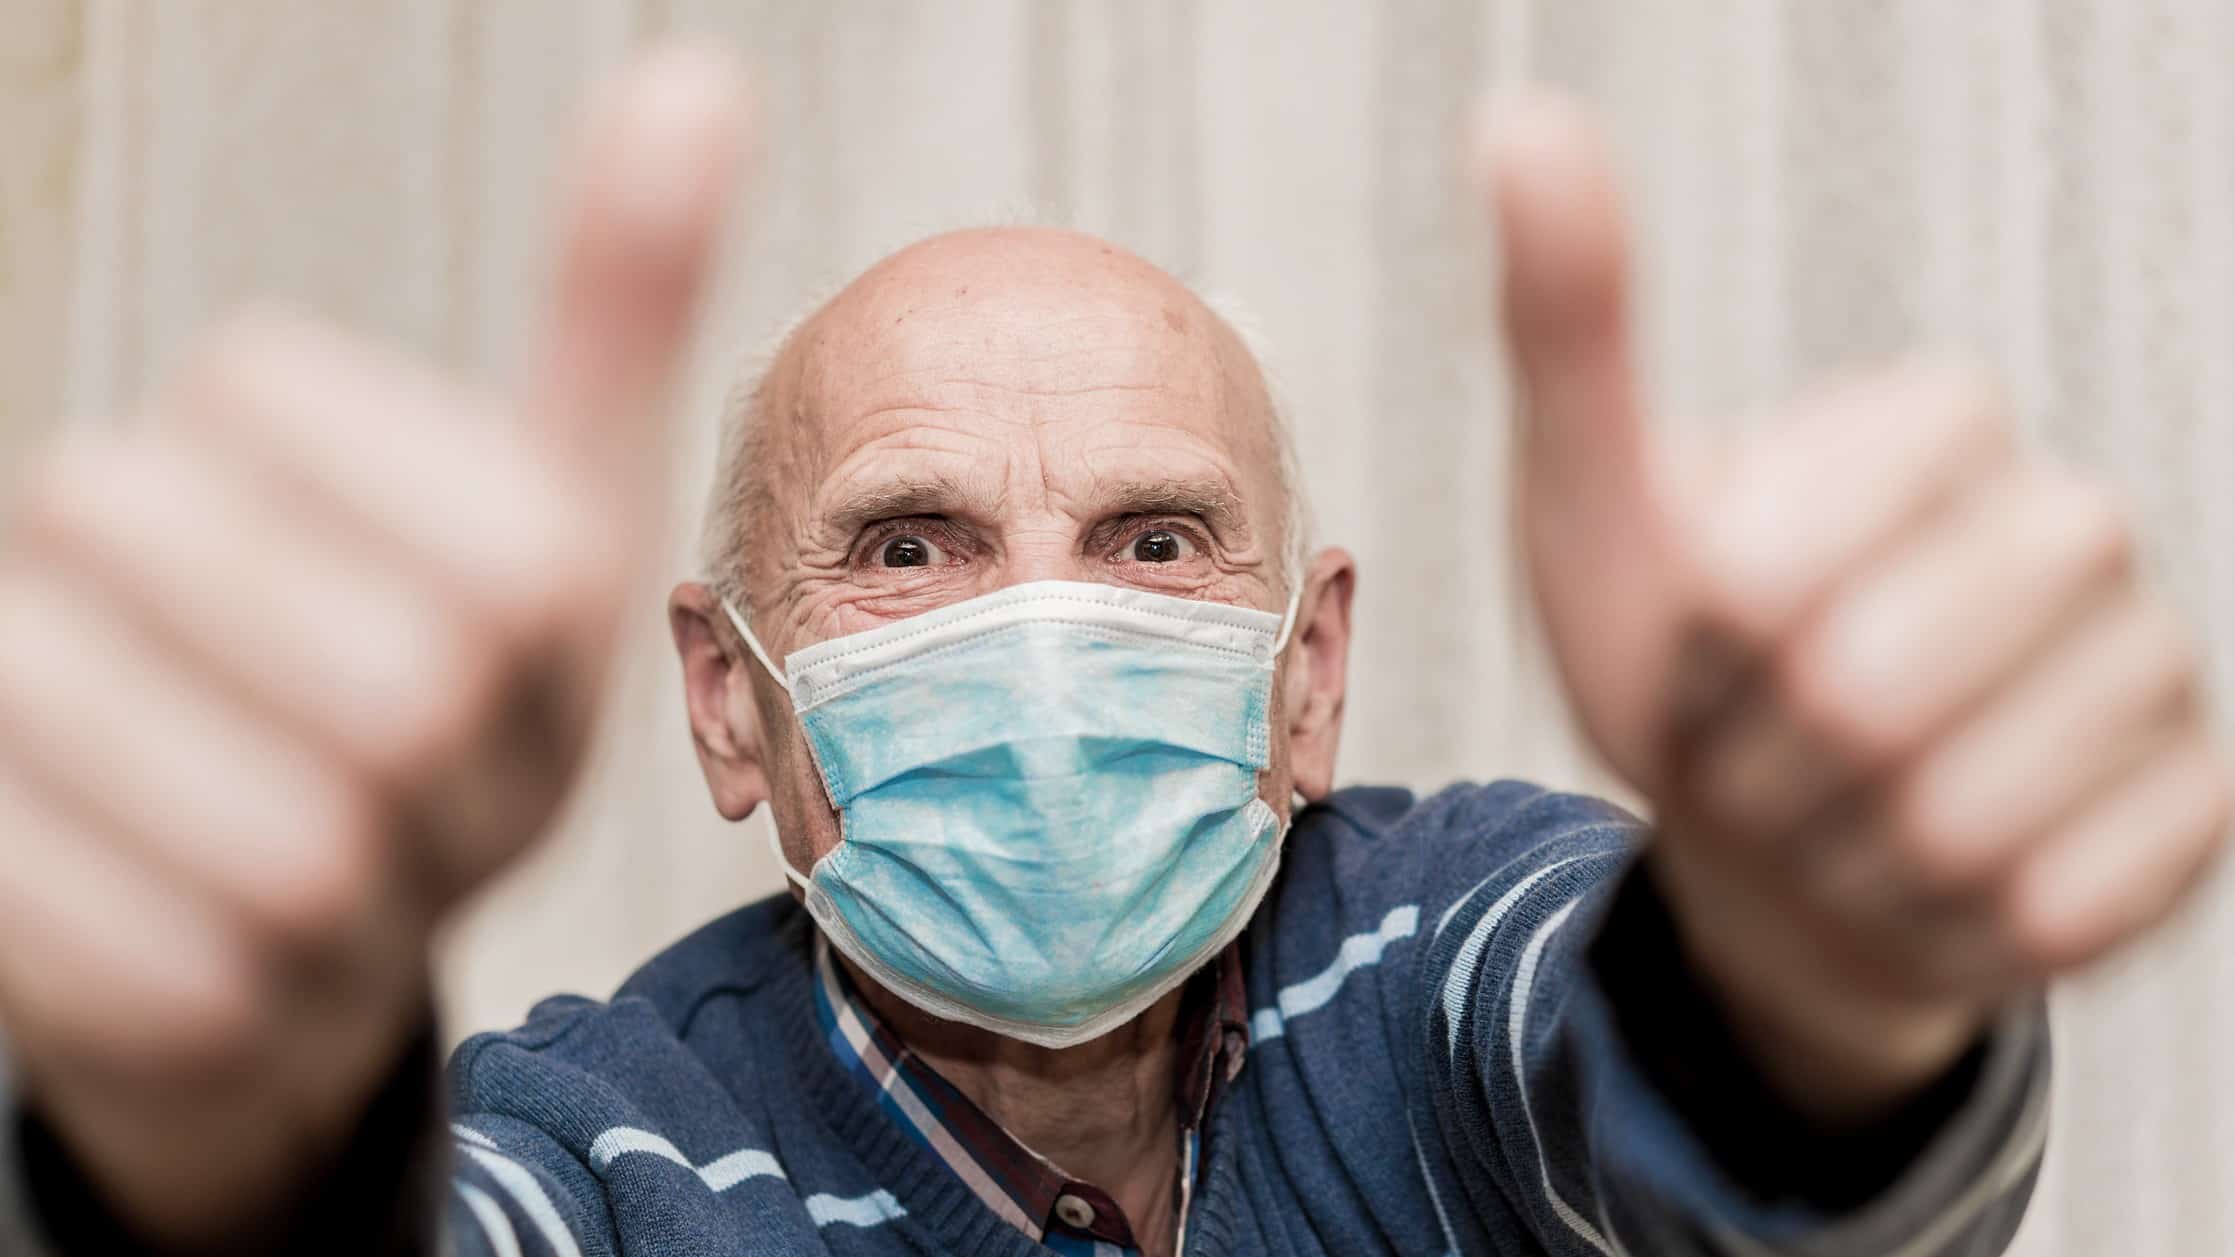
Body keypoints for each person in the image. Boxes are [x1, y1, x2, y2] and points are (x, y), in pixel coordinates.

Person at [0, 43, 2225, 1257]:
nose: (1042, 640)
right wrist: (211, 1141)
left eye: (1155, 541)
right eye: (908, 544)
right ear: (724, 694)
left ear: (1307, 670)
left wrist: (1822, 980)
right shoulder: (612, 1147)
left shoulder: (1435, 947)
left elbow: (1692, 1120)